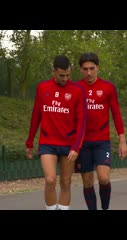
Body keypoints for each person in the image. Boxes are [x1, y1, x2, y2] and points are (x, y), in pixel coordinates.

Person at [25, 55, 87, 210]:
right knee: (50, 180)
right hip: (48, 143)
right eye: (61, 75)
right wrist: (29, 141)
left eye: (68, 75)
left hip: (69, 145)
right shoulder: (42, 88)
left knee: (66, 182)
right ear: (53, 71)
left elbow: (82, 122)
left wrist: (76, 147)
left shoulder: (78, 91)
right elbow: (36, 116)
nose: (65, 78)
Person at [75, 52, 127, 210]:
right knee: (87, 181)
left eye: (92, 68)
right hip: (81, 143)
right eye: (85, 69)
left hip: (102, 142)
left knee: (104, 178)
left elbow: (116, 114)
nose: (89, 72)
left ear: (98, 67)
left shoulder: (108, 87)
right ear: (80, 70)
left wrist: (122, 140)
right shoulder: (76, 88)